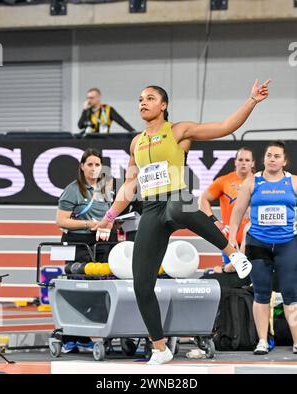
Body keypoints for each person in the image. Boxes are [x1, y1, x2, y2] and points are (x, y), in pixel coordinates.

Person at [93, 80, 270, 365]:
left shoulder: (178, 131)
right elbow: (128, 187)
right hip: (151, 209)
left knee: (178, 208)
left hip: (177, 199)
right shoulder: (136, 142)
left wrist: (251, 100)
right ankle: (160, 347)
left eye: (150, 98)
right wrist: (107, 218)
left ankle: (234, 254)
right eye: (140, 98)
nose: (143, 102)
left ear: (163, 106)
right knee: (141, 283)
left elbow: (225, 126)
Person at [229, 140, 297, 355]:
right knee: (261, 293)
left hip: (287, 244)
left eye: (277, 156)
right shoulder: (252, 182)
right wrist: (232, 239)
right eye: (269, 155)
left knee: (291, 294)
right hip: (258, 243)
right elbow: (237, 211)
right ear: (264, 159)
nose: (272, 159)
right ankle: (261, 341)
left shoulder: (293, 182)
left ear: (284, 161)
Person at [56, 148, 115, 352]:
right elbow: (61, 221)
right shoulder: (73, 189)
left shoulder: (108, 188)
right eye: (89, 164)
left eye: (97, 164)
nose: (93, 168)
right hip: (79, 243)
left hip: (103, 242)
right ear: (82, 166)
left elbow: (113, 213)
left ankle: (87, 334)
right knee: (79, 288)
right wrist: (88, 225)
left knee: (103, 287)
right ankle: (71, 337)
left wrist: (109, 224)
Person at [199, 148, 255, 287]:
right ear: (235, 162)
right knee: (231, 282)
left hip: (254, 241)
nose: (243, 163)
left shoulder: (260, 181)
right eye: (240, 160)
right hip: (230, 243)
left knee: (254, 281)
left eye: (247, 160)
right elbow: (203, 200)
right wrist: (215, 221)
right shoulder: (224, 181)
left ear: (253, 163)